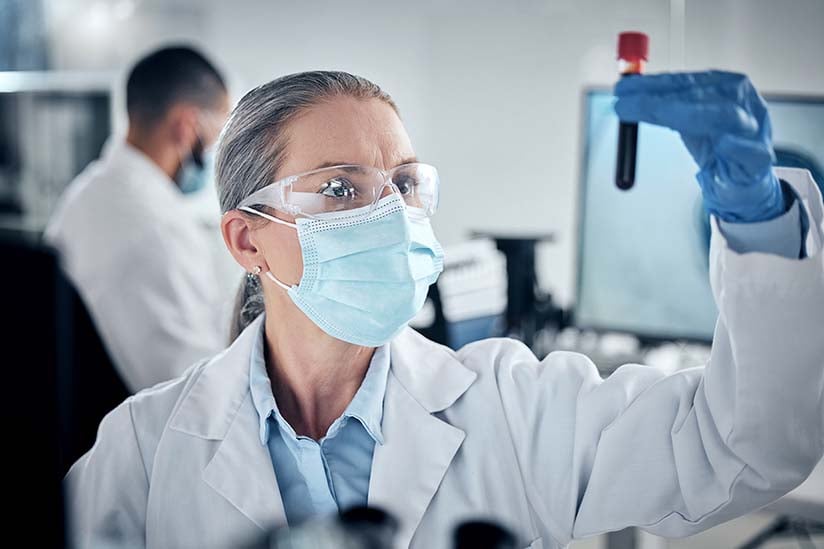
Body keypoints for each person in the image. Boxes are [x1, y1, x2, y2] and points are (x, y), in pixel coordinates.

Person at [65, 70, 824, 549]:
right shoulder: (143, 450)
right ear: (247, 241)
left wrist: (759, 218)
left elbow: (737, 446)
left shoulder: (512, 407)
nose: (391, 214)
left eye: (403, 183)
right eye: (340, 188)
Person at [46, 46, 232, 392]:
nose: (213, 154)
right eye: (216, 136)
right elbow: (192, 387)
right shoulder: (157, 227)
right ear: (186, 126)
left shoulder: (85, 192)